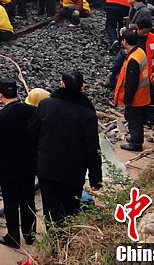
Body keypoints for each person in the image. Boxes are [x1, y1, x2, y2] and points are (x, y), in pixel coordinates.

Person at [29, 70, 102, 226]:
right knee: (70, 210)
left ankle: (55, 244)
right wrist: (96, 179)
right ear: (83, 87)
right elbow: (92, 148)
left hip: (47, 169)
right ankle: (66, 242)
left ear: (61, 84)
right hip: (73, 173)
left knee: (51, 209)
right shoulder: (87, 114)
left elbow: (32, 133)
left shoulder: (46, 105)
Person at [0, 79, 37, 249]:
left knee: (11, 202)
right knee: (28, 200)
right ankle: (30, 235)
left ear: (0, 95)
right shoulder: (31, 111)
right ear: (16, 93)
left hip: (8, 168)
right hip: (29, 165)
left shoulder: (0, 117)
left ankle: (13, 236)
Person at [114, 31, 151, 153]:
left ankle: (136, 143)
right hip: (143, 94)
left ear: (125, 41)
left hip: (136, 97)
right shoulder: (140, 52)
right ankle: (136, 139)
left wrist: (127, 99)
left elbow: (132, 82)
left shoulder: (133, 59)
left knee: (134, 119)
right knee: (137, 119)